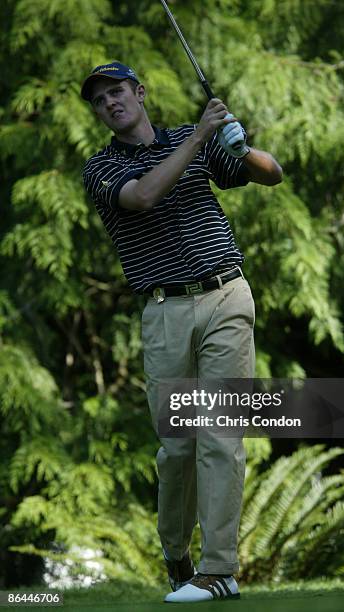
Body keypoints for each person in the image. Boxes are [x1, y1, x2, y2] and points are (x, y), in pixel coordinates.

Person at [81, 61, 282, 603]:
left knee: (221, 435)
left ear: (139, 93)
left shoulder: (186, 140)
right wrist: (200, 135)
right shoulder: (100, 169)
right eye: (100, 100)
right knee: (177, 448)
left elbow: (273, 173)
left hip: (226, 297)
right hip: (164, 311)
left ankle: (219, 571)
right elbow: (144, 196)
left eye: (117, 92)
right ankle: (177, 553)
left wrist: (241, 148)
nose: (110, 103)